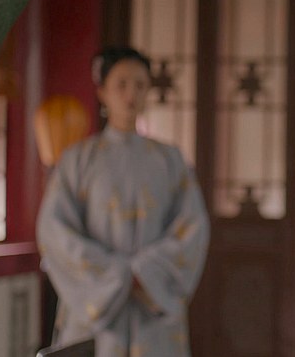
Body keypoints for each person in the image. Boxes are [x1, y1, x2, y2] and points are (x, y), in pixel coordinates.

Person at [37, 47, 210, 357]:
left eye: (140, 85)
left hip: (152, 304)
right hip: (96, 310)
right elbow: (54, 229)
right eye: (122, 84)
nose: (132, 94)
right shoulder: (78, 159)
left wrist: (145, 273)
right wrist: (117, 275)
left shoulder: (170, 159)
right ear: (102, 92)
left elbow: (192, 227)